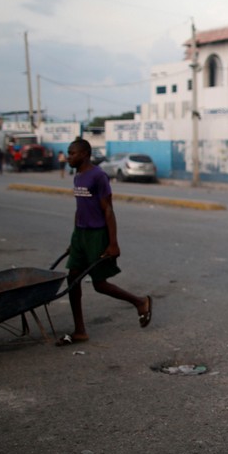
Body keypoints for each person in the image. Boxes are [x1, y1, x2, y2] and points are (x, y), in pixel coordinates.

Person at [59, 139, 151, 344]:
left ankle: (140, 302)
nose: (68, 157)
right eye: (68, 153)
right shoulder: (78, 176)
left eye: (72, 153)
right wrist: (74, 239)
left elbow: (108, 210)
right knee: (73, 280)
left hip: (97, 234)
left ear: (84, 154)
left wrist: (113, 243)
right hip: (81, 234)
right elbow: (80, 208)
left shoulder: (98, 176)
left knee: (99, 284)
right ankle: (79, 330)